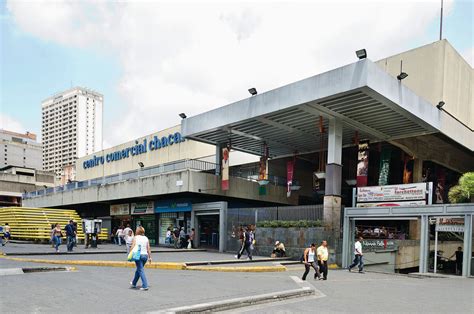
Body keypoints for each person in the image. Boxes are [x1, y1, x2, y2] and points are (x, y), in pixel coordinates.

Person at [129, 226, 151, 291]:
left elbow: (132, 246)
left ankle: (145, 285)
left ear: (137, 231)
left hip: (138, 255)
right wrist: (150, 257)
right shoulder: (146, 238)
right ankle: (134, 283)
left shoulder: (136, 238)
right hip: (145, 256)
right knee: (139, 269)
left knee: (140, 270)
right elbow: (148, 248)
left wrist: (130, 253)